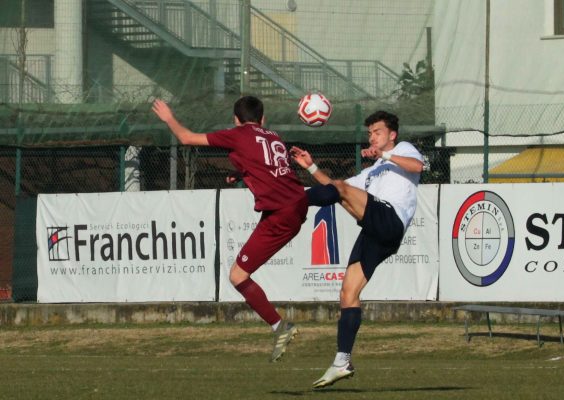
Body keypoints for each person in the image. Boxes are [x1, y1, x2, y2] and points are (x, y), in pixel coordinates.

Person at [152, 96, 308, 362]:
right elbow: (269, 166)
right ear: (263, 118)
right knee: (240, 273)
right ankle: (279, 326)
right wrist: (241, 174)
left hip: (281, 213)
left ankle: (280, 327)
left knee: (237, 276)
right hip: (295, 203)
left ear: (236, 120)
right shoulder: (273, 136)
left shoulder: (237, 134)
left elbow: (187, 138)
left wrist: (169, 118)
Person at [290, 110, 424, 388]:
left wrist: (383, 155)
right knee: (348, 292)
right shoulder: (371, 172)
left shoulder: (402, 149)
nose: (372, 136)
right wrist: (311, 167)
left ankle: (289, 204)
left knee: (339, 191)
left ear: (392, 135)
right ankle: (342, 361)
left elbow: (417, 167)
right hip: (376, 231)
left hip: (390, 218)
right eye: (370, 133)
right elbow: (334, 189)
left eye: (377, 132)